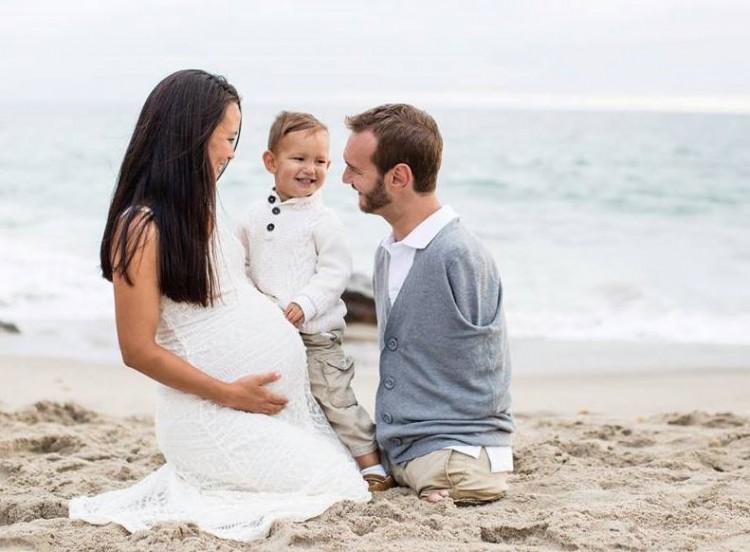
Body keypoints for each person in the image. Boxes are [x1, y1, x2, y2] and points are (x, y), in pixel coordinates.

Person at [68, 70, 369, 543]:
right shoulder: (141, 226)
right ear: (191, 133)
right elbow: (136, 349)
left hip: (256, 407)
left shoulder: (200, 207)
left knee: (342, 476)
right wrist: (227, 393)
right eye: (228, 137)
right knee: (339, 486)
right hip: (211, 413)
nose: (232, 151)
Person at [341, 103, 515, 504]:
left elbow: (488, 370)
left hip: (455, 450)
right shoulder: (389, 251)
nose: (345, 178)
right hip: (403, 446)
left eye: (356, 169)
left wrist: (464, 466)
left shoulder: (458, 255)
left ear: (399, 177)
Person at [235, 111, 392, 491]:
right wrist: (251, 305)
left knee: (333, 397)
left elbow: (334, 274)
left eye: (320, 161)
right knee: (280, 400)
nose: (311, 169)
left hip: (315, 335)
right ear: (271, 162)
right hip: (269, 332)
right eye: (299, 159)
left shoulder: (323, 221)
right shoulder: (252, 218)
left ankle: (371, 462)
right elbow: (237, 266)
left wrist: (305, 303)